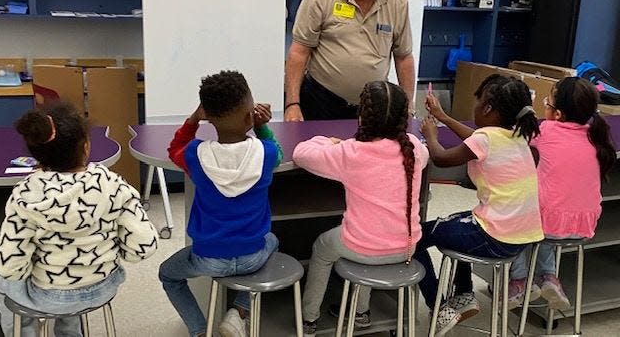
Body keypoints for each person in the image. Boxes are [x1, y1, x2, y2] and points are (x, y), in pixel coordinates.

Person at [0, 101, 159, 337]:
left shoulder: (25, 195)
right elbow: (144, 246)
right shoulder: (113, 185)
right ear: (86, 147)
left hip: (48, 294)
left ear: (36, 155)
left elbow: (8, 264)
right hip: (102, 287)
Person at [293, 81, 429, 336]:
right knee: (370, 233)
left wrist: (328, 142)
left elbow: (301, 153)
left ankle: (309, 317)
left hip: (363, 247)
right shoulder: (413, 147)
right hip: (408, 246)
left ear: (362, 115)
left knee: (323, 248)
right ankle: (361, 312)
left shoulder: (351, 152)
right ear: (404, 115)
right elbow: (425, 155)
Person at [159, 70, 283, 337]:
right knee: (273, 239)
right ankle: (238, 311)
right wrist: (262, 127)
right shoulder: (266, 154)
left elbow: (174, 149)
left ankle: (199, 331)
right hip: (253, 254)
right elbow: (277, 151)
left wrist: (193, 120)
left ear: (208, 116)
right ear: (250, 116)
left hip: (208, 258)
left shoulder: (195, 155)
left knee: (168, 275)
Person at [418, 74, 544, 336]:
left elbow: (440, 158)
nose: (474, 107)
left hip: (495, 236)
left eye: (478, 102)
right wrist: (443, 117)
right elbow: (478, 137)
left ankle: (438, 306)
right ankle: (464, 294)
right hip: (520, 237)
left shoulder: (485, 139)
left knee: (415, 236)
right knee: (458, 221)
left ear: (487, 108)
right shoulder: (516, 136)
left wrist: (431, 134)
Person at [508, 77, 616, 310]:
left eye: (548, 101)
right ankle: (549, 276)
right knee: (548, 221)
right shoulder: (595, 135)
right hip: (585, 225)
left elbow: (514, 136)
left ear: (557, 113)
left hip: (547, 225)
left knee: (519, 221)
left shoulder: (546, 130)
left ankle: (519, 280)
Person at [284, 0, 416, 121]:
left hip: (373, 106)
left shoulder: (397, 3)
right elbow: (299, 52)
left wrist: (408, 108)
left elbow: (403, 58)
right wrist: (292, 104)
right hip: (321, 101)